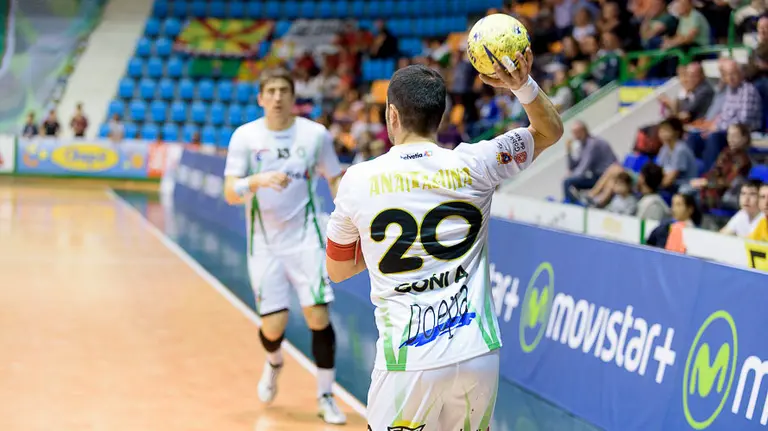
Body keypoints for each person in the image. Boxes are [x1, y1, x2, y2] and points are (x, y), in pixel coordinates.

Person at [324, 50, 564, 430]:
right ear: (440, 115)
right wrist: (522, 85)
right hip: (477, 355)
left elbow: (336, 270)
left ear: (392, 114)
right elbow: (550, 132)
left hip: (407, 361)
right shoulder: (478, 162)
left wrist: (383, 249)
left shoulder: (358, 179)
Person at [222, 68, 347, 425]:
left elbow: (334, 178)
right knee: (273, 327)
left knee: (318, 315)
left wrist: (348, 215)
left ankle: (325, 395)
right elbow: (230, 192)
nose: (277, 97)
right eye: (271, 91)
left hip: (306, 237)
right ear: (261, 98)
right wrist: (256, 180)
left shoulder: (314, 135)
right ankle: (275, 361)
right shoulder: (245, 137)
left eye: (284, 91)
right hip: (263, 243)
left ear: (294, 98)